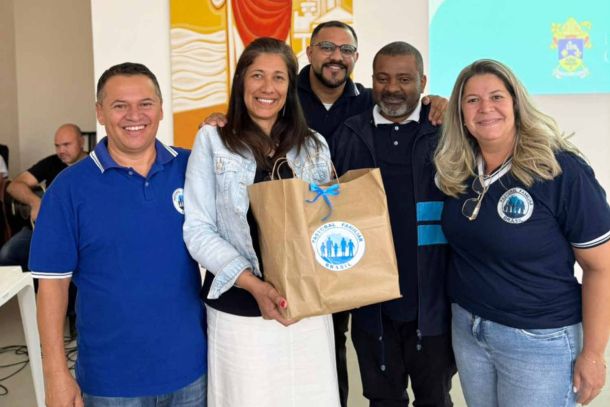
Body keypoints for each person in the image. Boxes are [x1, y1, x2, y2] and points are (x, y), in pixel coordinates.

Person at [202, 22, 447, 406]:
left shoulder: (361, 108)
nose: (336, 56)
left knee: (321, 381)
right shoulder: (240, 127)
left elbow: (331, 200)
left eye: (346, 50)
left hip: (333, 277)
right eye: (327, 47)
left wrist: (438, 103)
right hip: (254, 295)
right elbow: (200, 226)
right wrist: (225, 121)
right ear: (310, 52)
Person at [434, 59, 610, 407]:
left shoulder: (559, 170)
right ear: (461, 114)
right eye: (472, 100)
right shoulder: (458, 170)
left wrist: (593, 354)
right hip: (469, 330)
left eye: (497, 97)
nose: (486, 108)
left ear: (516, 103)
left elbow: (600, 267)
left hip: (537, 339)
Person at [29, 63, 207, 407]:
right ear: (100, 112)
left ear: (160, 108)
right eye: (120, 105)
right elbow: (52, 287)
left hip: (191, 372)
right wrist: (55, 373)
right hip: (110, 382)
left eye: (145, 104)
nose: (134, 115)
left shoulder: (192, 167)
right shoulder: (68, 189)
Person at [184, 37, 339, 407]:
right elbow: (198, 229)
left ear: (290, 87)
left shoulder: (314, 145)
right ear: (241, 80)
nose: (267, 87)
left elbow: (328, 222)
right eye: (257, 75)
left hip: (306, 311)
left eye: (279, 77)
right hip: (239, 313)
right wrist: (253, 285)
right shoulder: (213, 140)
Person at [330, 41, 455, 406]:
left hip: (433, 306)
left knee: (435, 400)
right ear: (371, 80)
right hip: (373, 309)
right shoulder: (349, 135)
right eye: (383, 79)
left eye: (404, 79)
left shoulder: (446, 133)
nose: (393, 88)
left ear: (423, 82)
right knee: (383, 401)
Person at [0, 123, 87, 271]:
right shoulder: (52, 162)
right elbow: (13, 185)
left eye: (66, 145)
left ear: (81, 142)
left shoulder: (93, 165)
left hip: (76, 232)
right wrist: (36, 203)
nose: (61, 151)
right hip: (41, 228)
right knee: (6, 255)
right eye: (57, 146)